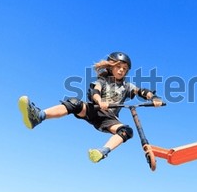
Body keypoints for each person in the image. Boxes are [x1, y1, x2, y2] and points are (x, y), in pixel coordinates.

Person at [18, 52, 163, 163]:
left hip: (108, 119)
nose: (121, 71)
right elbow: (95, 91)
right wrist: (99, 101)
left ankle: (102, 152)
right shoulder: (102, 80)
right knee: (74, 103)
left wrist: (153, 98)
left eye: (124, 69)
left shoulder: (127, 86)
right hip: (94, 110)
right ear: (111, 66)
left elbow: (141, 91)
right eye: (118, 67)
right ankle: (38, 116)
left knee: (126, 131)